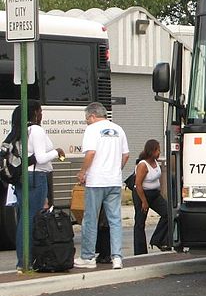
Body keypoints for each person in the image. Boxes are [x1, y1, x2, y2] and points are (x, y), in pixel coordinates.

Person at [10, 101, 64, 272]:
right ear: (34, 113)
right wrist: (57, 152)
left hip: (21, 178)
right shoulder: (36, 130)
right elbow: (40, 158)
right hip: (36, 176)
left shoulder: (19, 130)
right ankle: (27, 262)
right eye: (40, 111)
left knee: (24, 220)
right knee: (33, 219)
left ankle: (22, 261)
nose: (42, 115)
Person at [74, 102, 129, 270]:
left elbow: (91, 153)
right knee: (115, 220)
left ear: (92, 116)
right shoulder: (118, 129)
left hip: (96, 181)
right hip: (114, 181)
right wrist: (115, 169)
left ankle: (88, 256)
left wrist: (83, 172)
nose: (86, 122)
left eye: (86, 119)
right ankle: (117, 258)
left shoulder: (92, 130)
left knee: (90, 219)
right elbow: (126, 154)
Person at [131, 139, 169, 255]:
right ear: (151, 151)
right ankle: (140, 252)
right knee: (140, 223)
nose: (159, 153)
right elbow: (138, 184)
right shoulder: (143, 165)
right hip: (142, 194)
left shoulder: (156, 162)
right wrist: (144, 201)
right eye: (157, 150)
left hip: (155, 194)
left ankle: (158, 240)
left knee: (168, 213)